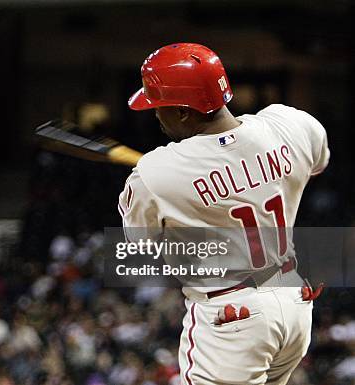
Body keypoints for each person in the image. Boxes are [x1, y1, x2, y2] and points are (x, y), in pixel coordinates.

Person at [120, 43, 329, 384]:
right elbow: (318, 162)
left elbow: (140, 241)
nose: (156, 115)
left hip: (234, 317)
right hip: (294, 301)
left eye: (159, 107)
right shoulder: (287, 122)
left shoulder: (155, 171)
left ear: (185, 112)